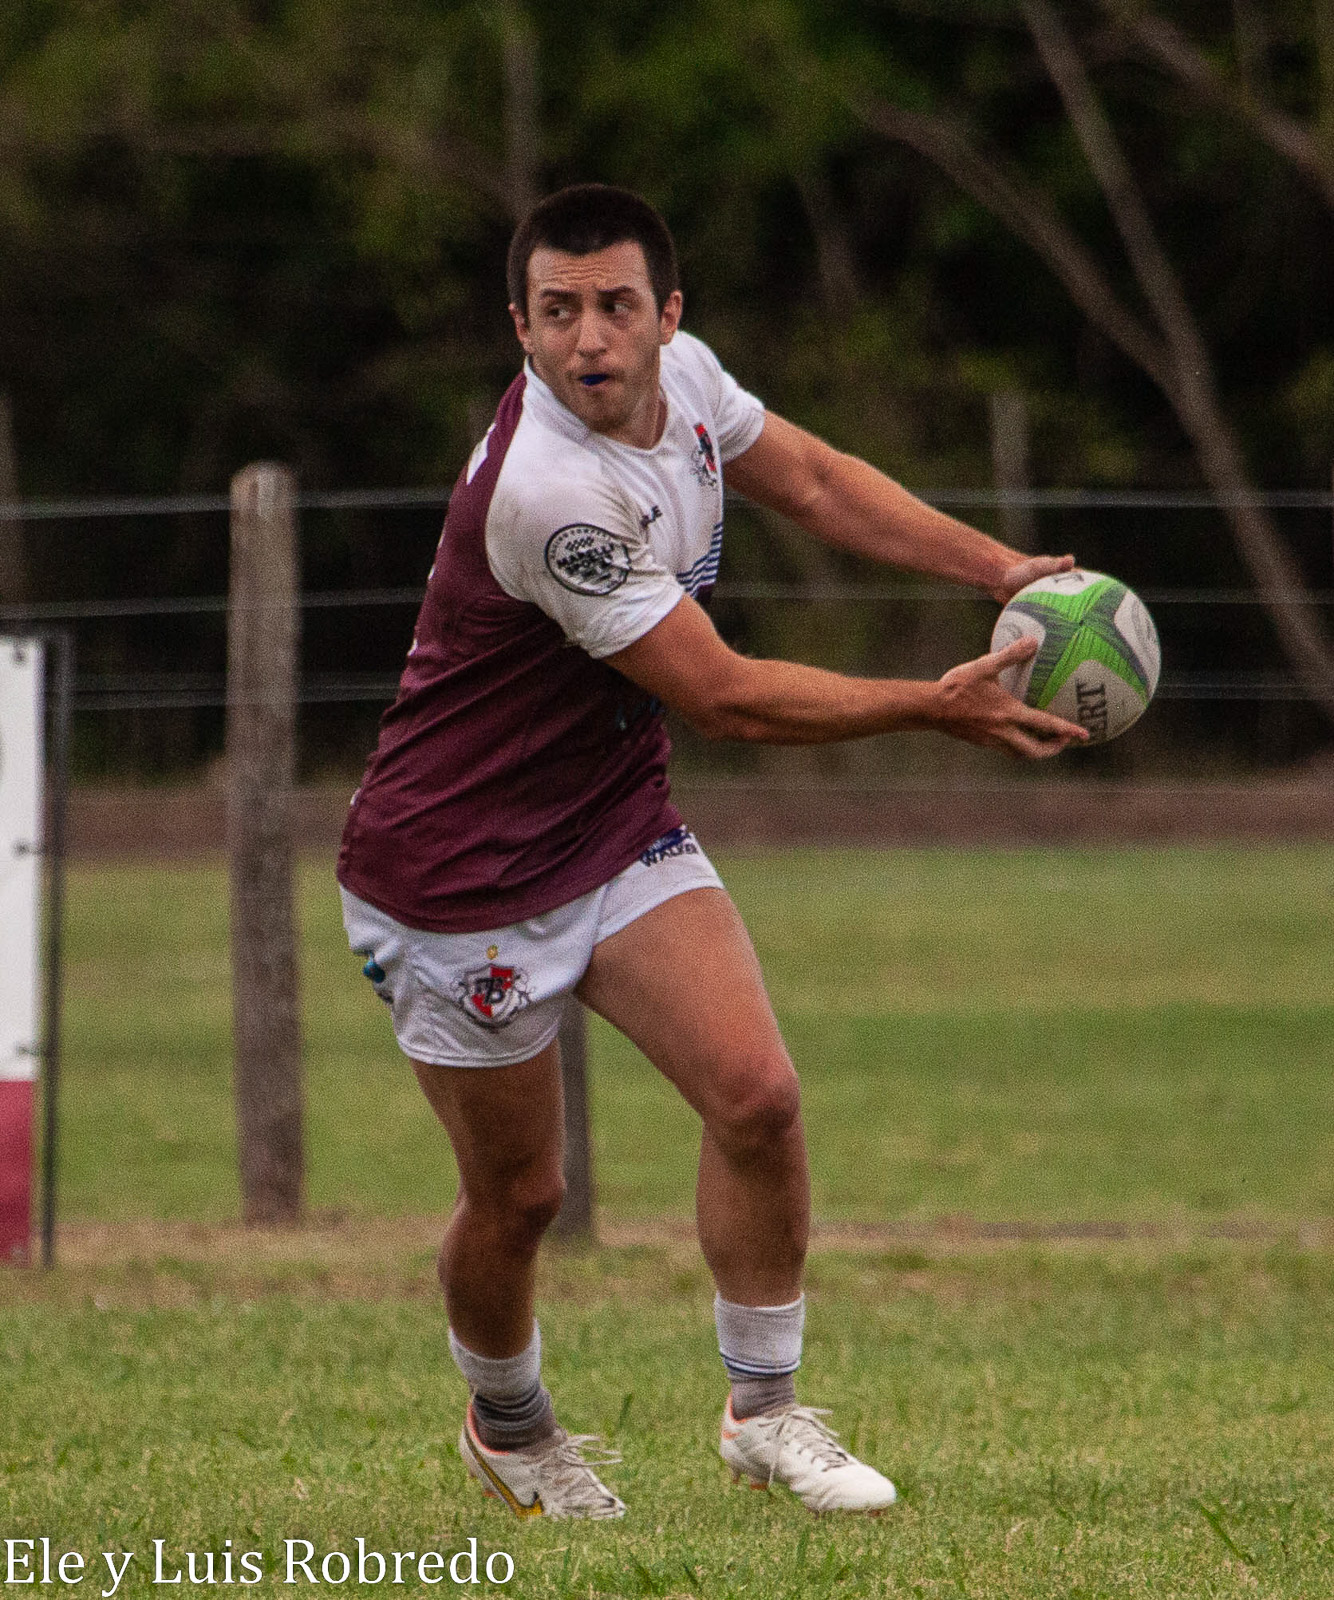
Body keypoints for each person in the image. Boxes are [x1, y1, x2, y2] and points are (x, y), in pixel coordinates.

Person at [337, 183, 1086, 1521]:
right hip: (457, 878)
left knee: (757, 1097)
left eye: (615, 305)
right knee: (520, 1197)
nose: (589, 341)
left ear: (666, 314)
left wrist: (1001, 571)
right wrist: (933, 706)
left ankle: (765, 1410)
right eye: (556, 313)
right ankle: (507, 1424)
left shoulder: (685, 382)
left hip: (611, 824)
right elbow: (727, 696)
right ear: (519, 325)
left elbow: (807, 477)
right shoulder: (547, 494)